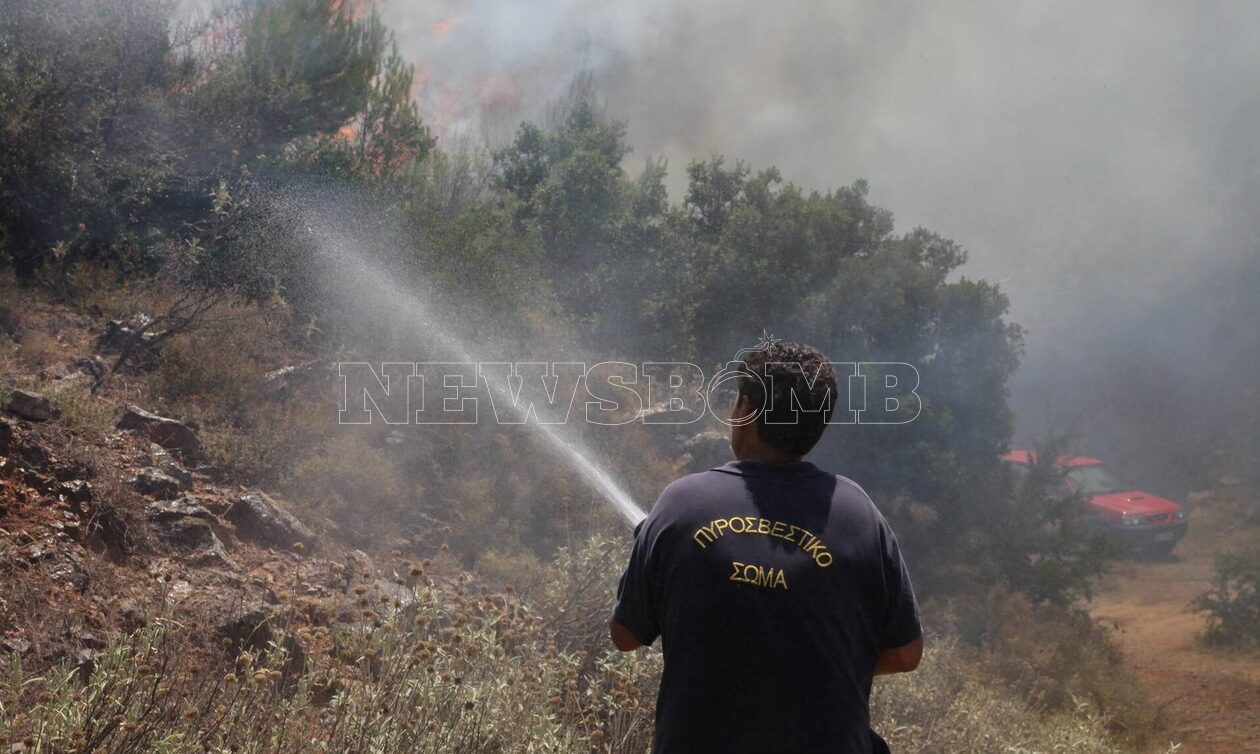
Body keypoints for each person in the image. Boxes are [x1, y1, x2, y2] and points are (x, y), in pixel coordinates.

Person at [610, 340, 923, 753]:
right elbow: (906, 654)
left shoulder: (681, 504)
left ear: (745, 408)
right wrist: (809, 663)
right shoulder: (859, 516)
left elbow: (626, 635)